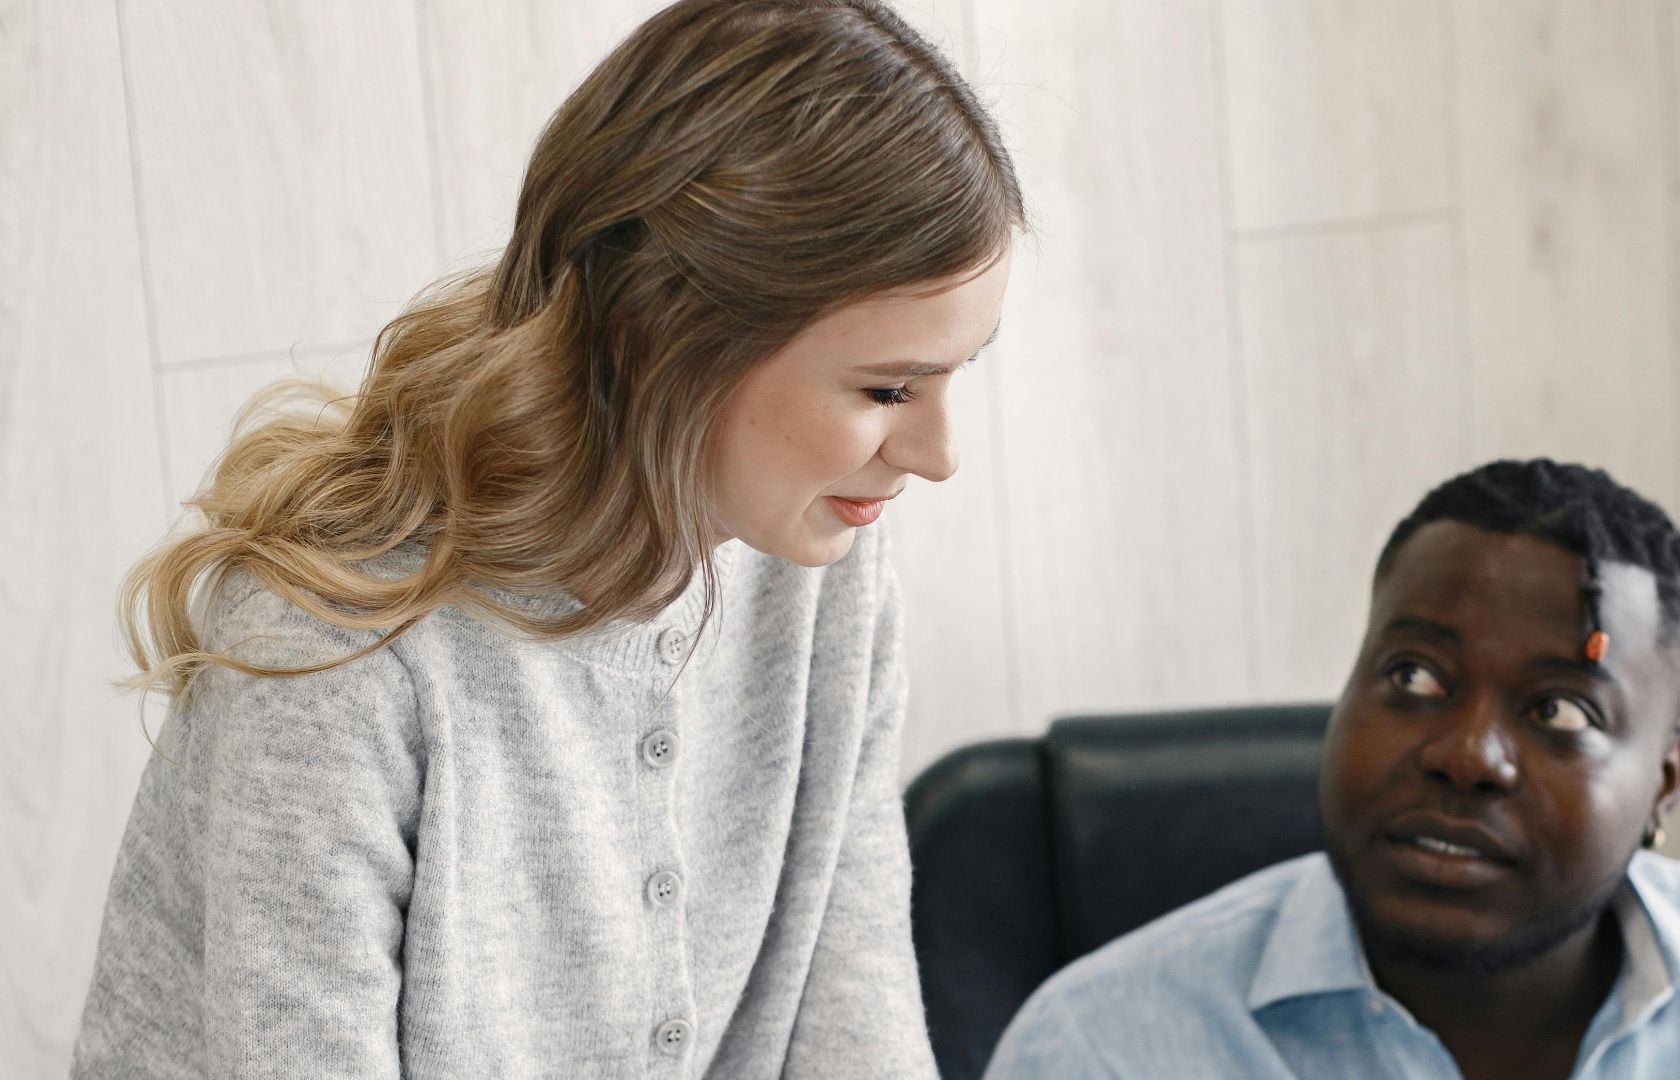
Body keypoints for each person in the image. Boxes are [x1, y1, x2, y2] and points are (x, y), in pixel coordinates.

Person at [72, 2, 1022, 1076]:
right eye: (889, 387)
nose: (938, 454)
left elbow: (857, 1022)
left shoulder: (822, 577)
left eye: (957, 373)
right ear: (663, 334)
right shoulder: (338, 648)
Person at [985, 459, 1680, 1079]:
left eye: (1560, 709)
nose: (1467, 755)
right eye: (1414, 676)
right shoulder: (1099, 1051)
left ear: (1664, 785)